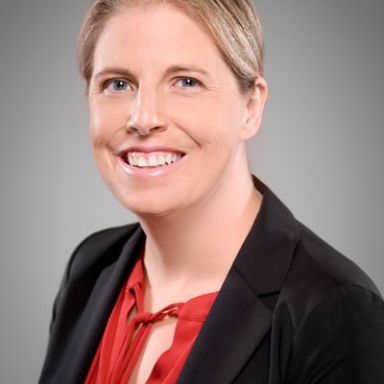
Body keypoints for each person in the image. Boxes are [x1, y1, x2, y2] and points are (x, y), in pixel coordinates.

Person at [39, 0, 384, 383]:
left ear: (250, 107)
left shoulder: (336, 311)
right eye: (117, 84)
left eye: (186, 82)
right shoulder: (90, 268)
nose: (143, 118)